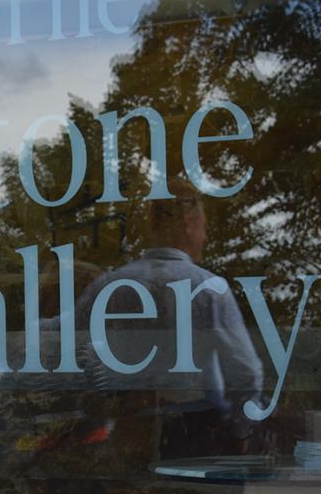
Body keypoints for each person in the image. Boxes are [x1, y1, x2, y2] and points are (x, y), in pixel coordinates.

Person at [74, 179, 264, 458]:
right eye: (205, 228)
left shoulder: (108, 285)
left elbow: (60, 340)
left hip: (130, 431)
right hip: (198, 437)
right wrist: (240, 433)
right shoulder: (209, 289)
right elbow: (246, 374)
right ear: (189, 223)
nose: (205, 237)